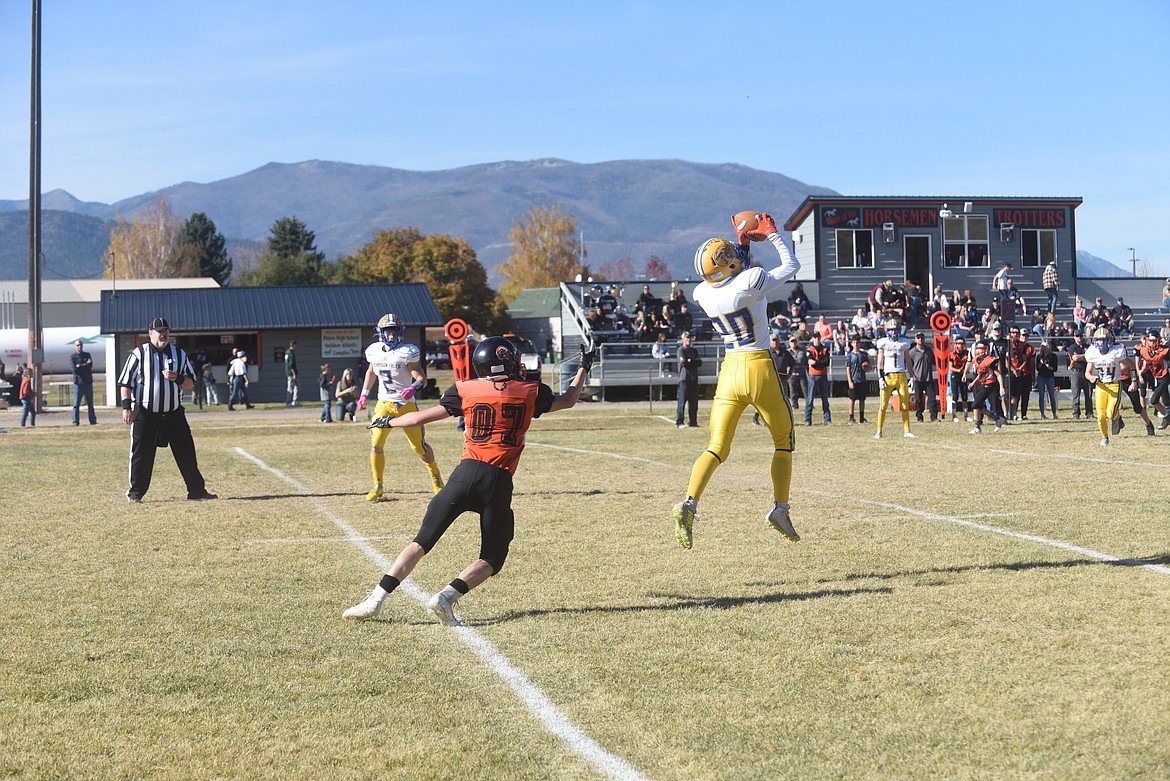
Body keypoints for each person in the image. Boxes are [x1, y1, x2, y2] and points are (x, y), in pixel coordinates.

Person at [343, 339, 596, 626]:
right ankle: (446, 596)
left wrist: (387, 422)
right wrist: (584, 367)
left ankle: (375, 599)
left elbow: (419, 417)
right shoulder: (531, 391)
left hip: (463, 475)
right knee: (492, 557)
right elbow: (569, 398)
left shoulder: (465, 388)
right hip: (498, 480)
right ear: (507, 362)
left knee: (422, 541)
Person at [673, 213, 801, 550]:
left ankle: (689, 502)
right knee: (783, 441)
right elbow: (791, 265)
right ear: (727, 265)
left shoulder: (703, 292)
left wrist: (742, 243)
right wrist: (772, 234)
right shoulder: (751, 280)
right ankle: (780, 508)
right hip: (758, 366)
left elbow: (732, 273)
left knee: (716, 447)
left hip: (729, 370)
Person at [117, 317, 216, 503]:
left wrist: (177, 378)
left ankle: (196, 491)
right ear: (150, 333)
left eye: (166, 331)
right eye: (159, 331)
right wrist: (126, 407)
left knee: (186, 452)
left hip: (173, 414)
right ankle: (135, 492)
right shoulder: (139, 354)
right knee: (141, 455)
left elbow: (190, 383)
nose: (163, 334)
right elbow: (125, 382)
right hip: (146, 413)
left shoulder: (180, 354)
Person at [358, 313, 444, 499]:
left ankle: (435, 474)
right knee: (376, 444)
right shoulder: (374, 350)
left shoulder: (407, 351)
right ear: (381, 333)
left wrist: (413, 387)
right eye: (388, 332)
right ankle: (377, 485)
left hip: (405, 405)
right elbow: (371, 372)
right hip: (384, 404)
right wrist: (364, 394)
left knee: (418, 448)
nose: (391, 335)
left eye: (394, 331)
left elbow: (422, 378)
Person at [1084, 326, 1134, 446]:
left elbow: (1131, 365)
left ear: (1110, 340)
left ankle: (1117, 417)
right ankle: (1105, 437)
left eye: (1104, 339)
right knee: (1101, 416)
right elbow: (1087, 372)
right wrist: (1091, 377)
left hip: (1114, 385)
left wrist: (1134, 380)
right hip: (1101, 386)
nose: (1102, 342)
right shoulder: (1092, 353)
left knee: (1110, 413)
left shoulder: (1116, 352)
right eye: (1099, 340)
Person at [873, 319, 915, 439]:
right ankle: (879, 430)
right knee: (883, 405)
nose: (894, 332)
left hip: (901, 376)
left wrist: (911, 377)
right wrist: (880, 378)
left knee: (905, 405)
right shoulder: (883, 343)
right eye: (891, 330)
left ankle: (907, 430)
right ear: (887, 331)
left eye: (895, 329)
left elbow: (908, 361)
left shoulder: (904, 343)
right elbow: (880, 362)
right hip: (888, 377)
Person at [966, 339, 1007, 434]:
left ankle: (995, 417)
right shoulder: (976, 359)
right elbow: (980, 373)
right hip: (982, 383)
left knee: (975, 404)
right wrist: (973, 383)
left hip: (989, 384)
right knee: (978, 405)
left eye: (982, 348)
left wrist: (1001, 387)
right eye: (978, 348)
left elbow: (998, 374)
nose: (979, 351)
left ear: (986, 349)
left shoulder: (990, 360)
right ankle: (980, 425)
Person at [1135, 328, 1169, 430]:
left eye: (1154, 341)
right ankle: (1167, 417)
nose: (1152, 343)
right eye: (1150, 341)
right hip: (1157, 377)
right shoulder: (1144, 350)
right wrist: (1140, 373)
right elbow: (1145, 362)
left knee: (1154, 400)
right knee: (1166, 399)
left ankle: (1167, 417)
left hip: (1166, 375)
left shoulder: (1164, 351)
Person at [908, 332, 938, 423]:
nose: (920, 340)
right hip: (918, 379)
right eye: (918, 338)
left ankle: (934, 417)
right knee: (919, 399)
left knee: (932, 398)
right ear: (916, 339)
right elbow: (909, 365)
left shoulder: (928, 351)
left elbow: (934, 362)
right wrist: (912, 377)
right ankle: (919, 417)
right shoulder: (912, 352)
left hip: (928, 378)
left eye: (922, 338)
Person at [803, 331, 831, 426]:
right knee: (810, 398)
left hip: (823, 375)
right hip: (813, 376)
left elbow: (826, 362)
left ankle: (827, 419)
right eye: (815, 337)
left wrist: (816, 363)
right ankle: (807, 419)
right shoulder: (809, 350)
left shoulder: (825, 349)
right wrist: (819, 363)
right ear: (813, 338)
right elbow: (809, 361)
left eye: (818, 337)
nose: (817, 339)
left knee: (825, 398)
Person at [675, 331, 702, 428]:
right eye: (686, 338)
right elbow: (684, 363)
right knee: (682, 402)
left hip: (693, 379)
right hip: (684, 379)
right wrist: (691, 361)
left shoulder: (694, 350)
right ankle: (679, 422)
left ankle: (693, 421)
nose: (688, 340)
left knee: (694, 402)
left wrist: (691, 361)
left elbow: (699, 363)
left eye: (690, 338)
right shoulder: (681, 350)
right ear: (683, 339)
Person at [1008, 329, 1036, 420]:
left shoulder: (1030, 348)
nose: (1024, 337)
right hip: (1017, 373)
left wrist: (1033, 375)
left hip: (1026, 373)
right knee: (1016, 394)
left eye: (1026, 335)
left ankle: (1024, 413)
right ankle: (1013, 413)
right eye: (1023, 335)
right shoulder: (1014, 345)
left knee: (1025, 395)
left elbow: (1031, 363)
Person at [70, 339, 98, 425]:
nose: (79, 347)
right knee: (76, 404)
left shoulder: (87, 355)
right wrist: (84, 365)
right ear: (75, 347)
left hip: (88, 382)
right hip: (78, 383)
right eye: (77, 345)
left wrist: (80, 366)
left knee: (90, 403)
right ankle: (75, 421)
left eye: (80, 345)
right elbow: (74, 369)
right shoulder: (73, 357)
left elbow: (90, 365)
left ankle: (92, 420)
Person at [844, 334, 870, 425]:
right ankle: (851, 417)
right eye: (854, 342)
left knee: (862, 399)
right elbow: (848, 369)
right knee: (852, 399)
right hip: (854, 379)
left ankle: (862, 417)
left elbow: (869, 367)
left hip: (862, 379)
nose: (856, 344)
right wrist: (850, 381)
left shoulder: (863, 355)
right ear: (851, 344)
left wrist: (866, 368)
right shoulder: (850, 355)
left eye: (857, 342)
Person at [1066, 331, 1093, 420]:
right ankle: (1076, 413)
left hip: (1086, 372)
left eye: (1080, 336)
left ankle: (1089, 413)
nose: (1079, 338)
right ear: (1074, 337)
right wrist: (1085, 356)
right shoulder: (1072, 347)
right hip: (1076, 372)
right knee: (1076, 394)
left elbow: (1091, 357)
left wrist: (1082, 356)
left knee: (1088, 394)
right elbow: (1075, 358)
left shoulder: (1087, 347)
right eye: (1077, 336)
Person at [948, 336, 972, 422]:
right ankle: (954, 415)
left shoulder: (967, 353)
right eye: (958, 344)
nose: (960, 346)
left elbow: (969, 364)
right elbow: (950, 368)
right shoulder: (952, 354)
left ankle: (966, 415)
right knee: (955, 396)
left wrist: (965, 372)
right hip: (955, 375)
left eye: (961, 344)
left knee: (964, 395)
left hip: (963, 375)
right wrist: (959, 370)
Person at [1035, 340, 1059, 420]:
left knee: (1052, 395)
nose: (1045, 348)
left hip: (1049, 376)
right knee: (1041, 396)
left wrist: (1048, 366)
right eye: (1043, 346)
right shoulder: (1039, 356)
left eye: (1046, 346)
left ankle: (1054, 414)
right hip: (1041, 376)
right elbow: (1037, 369)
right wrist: (1041, 363)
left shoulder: (1053, 356)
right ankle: (1042, 414)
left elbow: (1055, 369)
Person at [284, 340, 300, 407]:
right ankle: (291, 401)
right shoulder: (291, 353)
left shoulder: (287, 352)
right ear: (293, 345)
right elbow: (291, 365)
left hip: (288, 373)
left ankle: (292, 401)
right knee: (293, 387)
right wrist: (294, 374)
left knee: (292, 386)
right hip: (291, 373)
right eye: (296, 345)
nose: (296, 347)